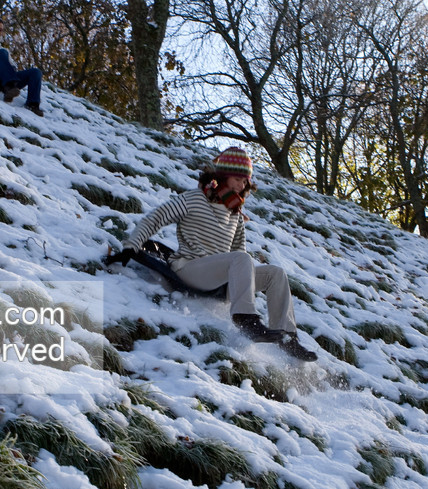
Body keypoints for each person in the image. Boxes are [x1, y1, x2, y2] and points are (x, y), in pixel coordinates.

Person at [123, 147, 318, 361]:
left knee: (275, 274)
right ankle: (246, 320)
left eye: (245, 182)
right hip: (190, 269)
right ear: (223, 176)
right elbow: (155, 218)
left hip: (219, 280)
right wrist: (131, 245)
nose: (242, 186)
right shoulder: (193, 199)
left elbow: (240, 258)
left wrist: (239, 286)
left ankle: (288, 338)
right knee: (241, 259)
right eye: (238, 179)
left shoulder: (235, 214)